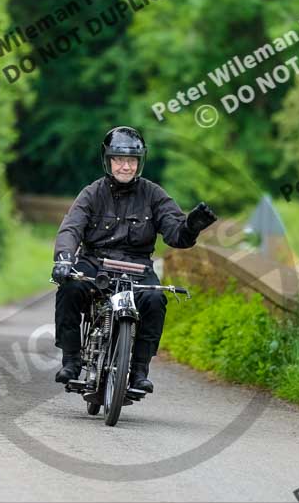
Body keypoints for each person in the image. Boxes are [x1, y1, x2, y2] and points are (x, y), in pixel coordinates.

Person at [51, 126, 217, 393]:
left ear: (140, 162)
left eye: (131, 161)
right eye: (119, 159)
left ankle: (140, 370)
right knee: (69, 289)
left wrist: (191, 226)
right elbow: (71, 228)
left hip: (137, 267)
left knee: (154, 299)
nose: (125, 166)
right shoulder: (91, 193)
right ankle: (71, 360)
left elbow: (177, 235)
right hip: (95, 263)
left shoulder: (154, 195)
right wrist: (64, 259)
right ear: (108, 161)